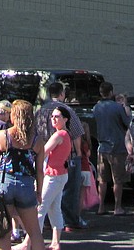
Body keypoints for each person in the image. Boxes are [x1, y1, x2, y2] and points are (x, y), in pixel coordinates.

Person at [0, 99, 43, 250]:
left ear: (13, 116)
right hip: (26, 184)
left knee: (4, 231)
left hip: (4, 181)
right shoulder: (37, 141)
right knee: (34, 232)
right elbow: (39, 170)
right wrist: (39, 191)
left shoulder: (2, 136)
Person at [32, 82, 86, 232]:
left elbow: (35, 133)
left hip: (45, 156)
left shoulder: (41, 111)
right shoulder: (66, 110)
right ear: (62, 94)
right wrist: (78, 155)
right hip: (64, 156)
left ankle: (50, 224)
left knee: (49, 192)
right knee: (68, 191)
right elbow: (76, 134)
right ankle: (70, 222)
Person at [92, 81, 130, 216]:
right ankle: (117, 207)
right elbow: (127, 122)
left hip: (102, 146)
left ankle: (101, 206)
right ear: (111, 92)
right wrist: (125, 105)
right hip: (117, 146)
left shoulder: (96, 107)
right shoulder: (117, 107)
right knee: (117, 180)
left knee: (102, 179)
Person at [37, 105, 72, 250]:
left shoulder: (59, 135)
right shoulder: (64, 134)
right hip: (59, 175)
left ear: (65, 119)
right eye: (52, 116)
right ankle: (56, 242)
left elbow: (43, 152)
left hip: (53, 176)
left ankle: (31, 242)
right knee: (54, 208)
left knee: (40, 208)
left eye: (57, 116)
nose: (53, 119)